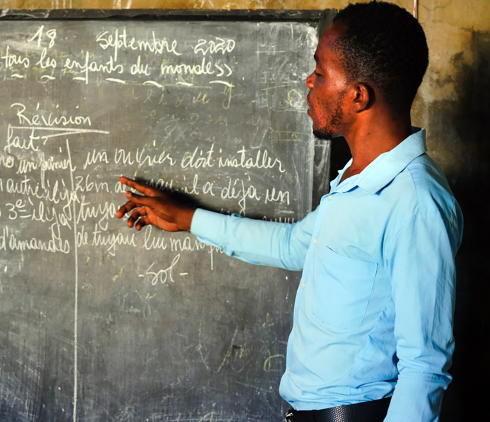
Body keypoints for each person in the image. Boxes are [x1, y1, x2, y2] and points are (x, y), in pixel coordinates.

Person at [114, 2, 463, 422]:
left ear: (357, 95)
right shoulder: (357, 180)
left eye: (320, 72)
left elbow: (425, 366)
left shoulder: (414, 201)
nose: (308, 82)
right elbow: (294, 244)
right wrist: (188, 219)